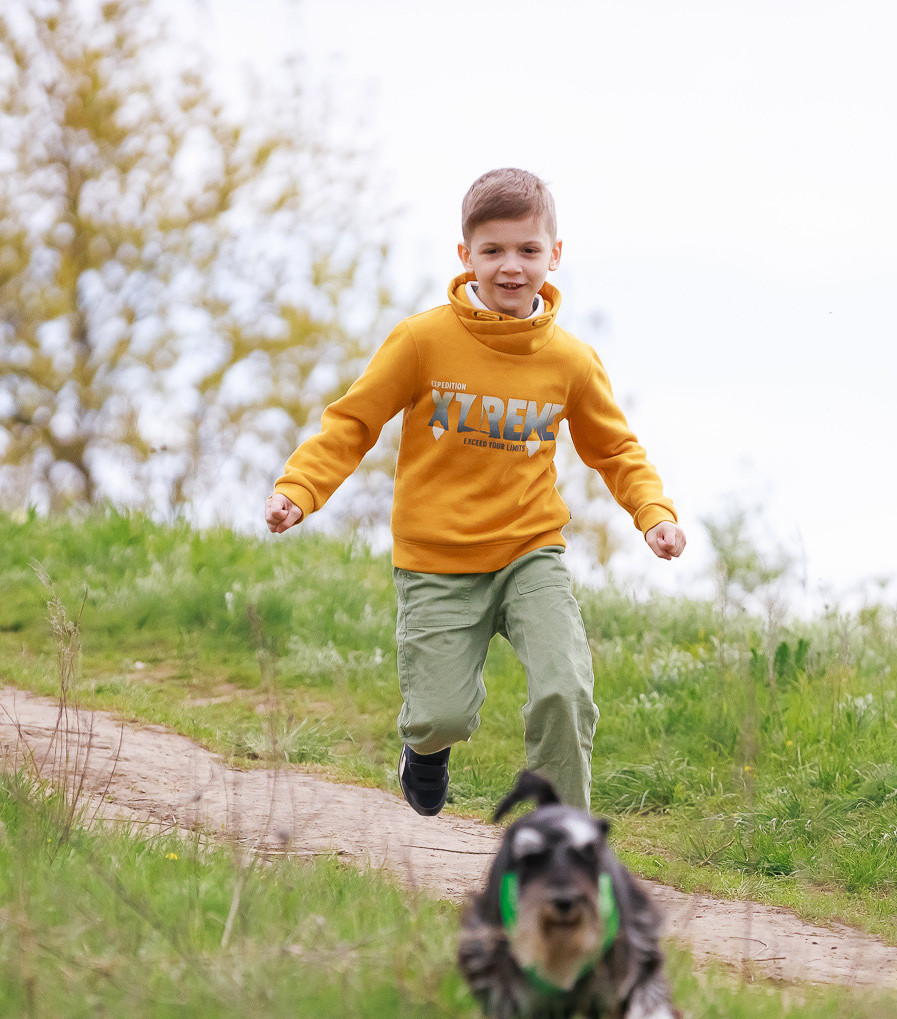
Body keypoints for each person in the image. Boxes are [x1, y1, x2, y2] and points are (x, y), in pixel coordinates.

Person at [265, 167, 684, 816]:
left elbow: (616, 450)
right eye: (492, 251)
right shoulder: (423, 340)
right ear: (466, 256)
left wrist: (652, 513)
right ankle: (424, 749)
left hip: (529, 552)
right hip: (437, 561)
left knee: (564, 691)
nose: (511, 267)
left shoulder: (570, 361)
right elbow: (354, 421)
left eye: (528, 250)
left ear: (555, 254)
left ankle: (559, 833)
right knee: (442, 716)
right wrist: (300, 488)